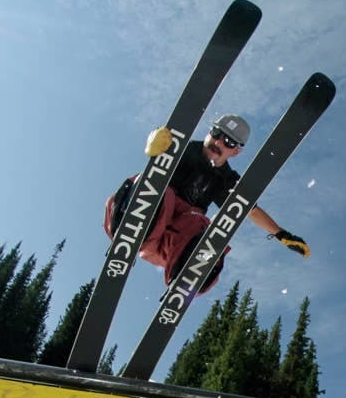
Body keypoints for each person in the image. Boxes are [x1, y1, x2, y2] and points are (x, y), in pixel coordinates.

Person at [104, 114, 310, 292]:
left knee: (201, 224)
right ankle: (132, 226)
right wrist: (154, 143)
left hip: (171, 244)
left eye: (228, 142)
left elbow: (248, 209)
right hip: (149, 218)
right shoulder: (183, 148)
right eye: (216, 133)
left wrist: (281, 234)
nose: (218, 143)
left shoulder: (226, 179)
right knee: (161, 191)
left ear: (236, 152)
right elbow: (157, 147)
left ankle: (188, 275)